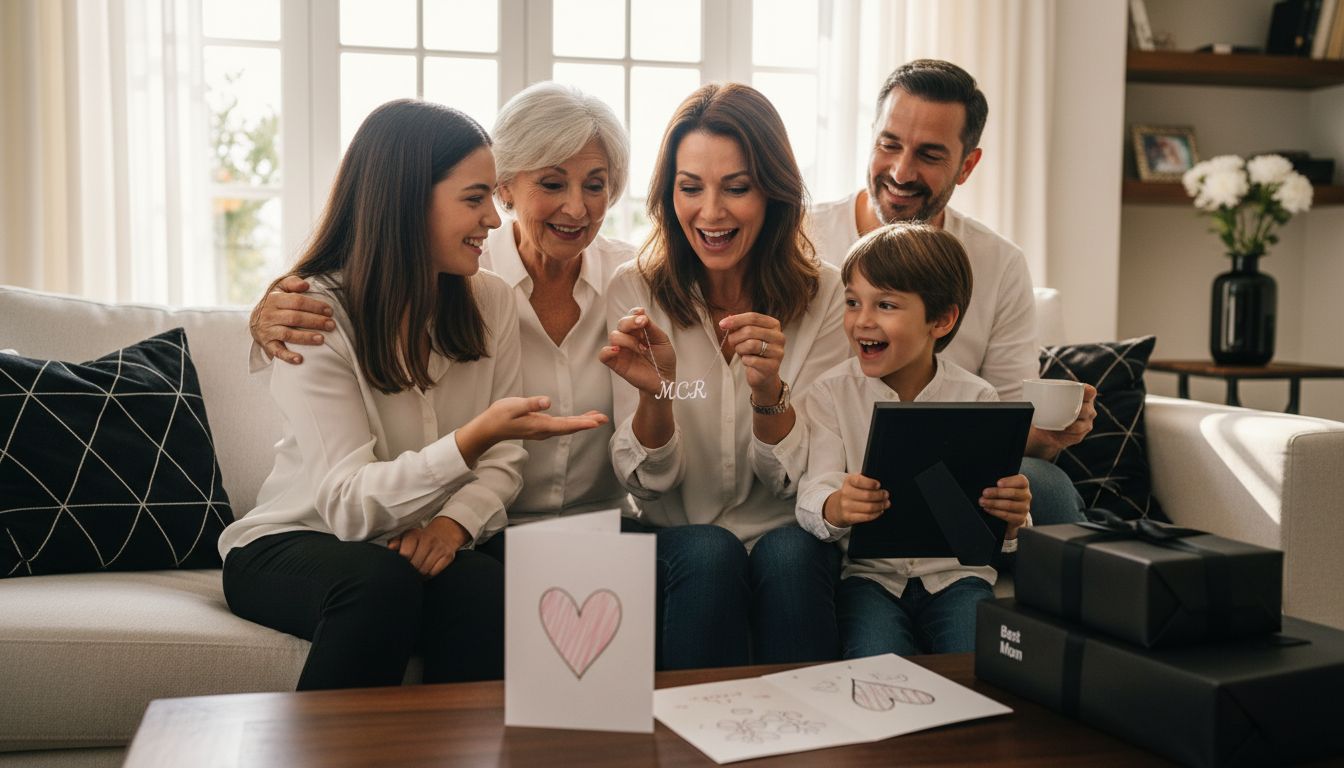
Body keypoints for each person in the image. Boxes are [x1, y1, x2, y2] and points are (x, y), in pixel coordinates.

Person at [219, 99, 607, 690]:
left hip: (413, 540)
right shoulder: (314, 314)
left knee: (480, 582)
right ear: (405, 197)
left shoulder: (491, 300)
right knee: (379, 583)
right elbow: (348, 508)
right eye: (474, 199)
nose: (494, 220)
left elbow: (503, 464)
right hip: (298, 540)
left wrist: (453, 525)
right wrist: (474, 437)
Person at [247, 82, 635, 562]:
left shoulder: (628, 282)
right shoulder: (465, 267)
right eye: (552, 184)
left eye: (595, 185)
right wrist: (263, 317)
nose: (577, 208)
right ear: (506, 185)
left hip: (589, 523)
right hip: (496, 531)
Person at [600, 83, 849, 669]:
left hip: (786, 529)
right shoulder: (634, 292)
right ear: (669, 194)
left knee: (791, 556)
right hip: (679, 538)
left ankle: (809, 742)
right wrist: (660, 394)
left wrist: (770, 395)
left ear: (774, 194)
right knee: (711, 554)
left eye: (736, 188)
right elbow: (647, 486)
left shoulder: (827, 295)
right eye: (691, 188)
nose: (710, 213)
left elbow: (802, 480)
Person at [806, 59, 1093, 526]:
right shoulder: (803, 237)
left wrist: (1048, 436)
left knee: (1048, 488)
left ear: (967, 165)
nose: (901, 171)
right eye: (889, 144)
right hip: (823, 463)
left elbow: (1006, 425)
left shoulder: (998, 264)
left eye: (930, 155)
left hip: (949, 473)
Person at [795, 222, 1030, 656]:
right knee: (874, 669)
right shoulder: (830, 394)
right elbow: (813, 492)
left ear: (942, 320)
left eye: (885, 305)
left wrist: (1014, 519)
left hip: (958, 579)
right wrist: (837, 506)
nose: (862, 320)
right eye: (852, 302)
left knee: (981, 668)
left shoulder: (978, 397)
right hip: (870, 580)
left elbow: (1000, 530)